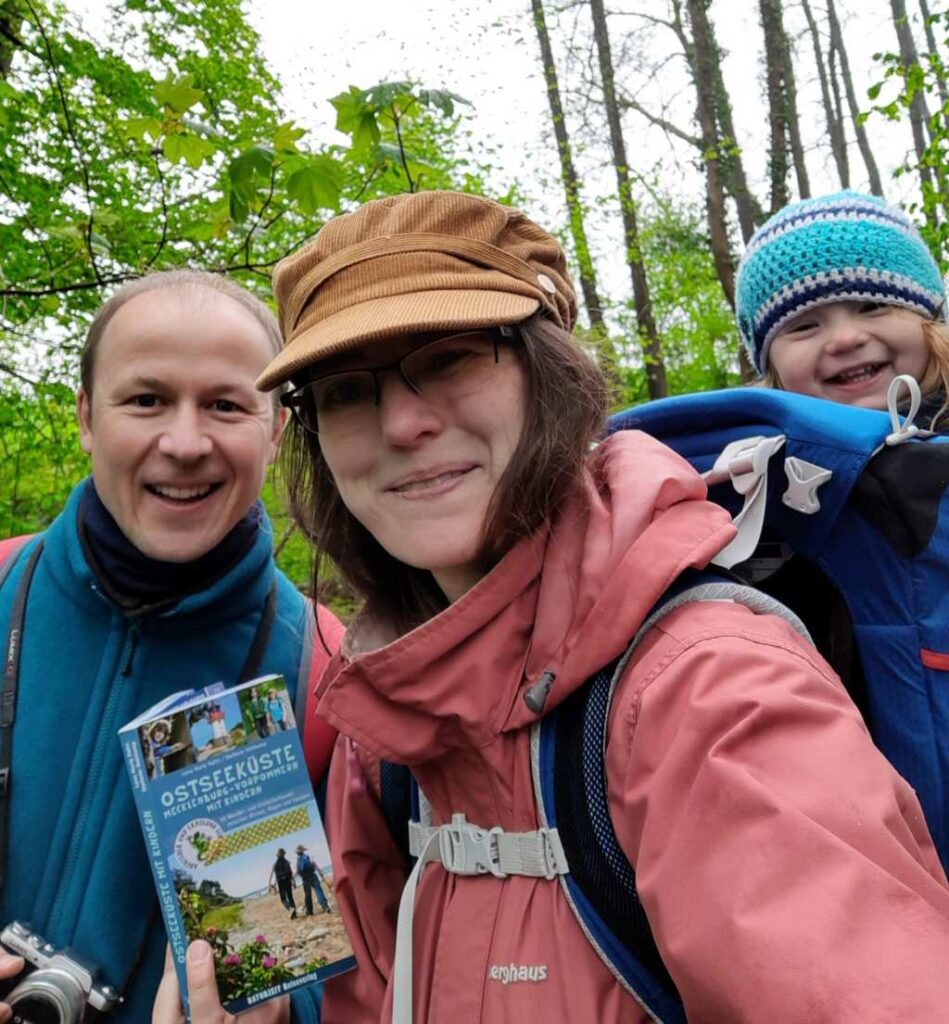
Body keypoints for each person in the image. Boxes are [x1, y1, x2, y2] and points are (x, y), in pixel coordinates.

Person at [253, 190, 949, 1023]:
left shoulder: (708, 689)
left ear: (548, 376)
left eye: (449, 358)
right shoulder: (387, 724)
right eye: (343, 390)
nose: (402, 422)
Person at [0, 270, 342, 1024]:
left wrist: (285, 1011)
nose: (185, 443)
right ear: (88, 416)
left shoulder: (327, 670)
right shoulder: (0, 590)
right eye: (146, 399)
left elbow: (357, 967)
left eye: (224, 404)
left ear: (276, 430)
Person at [736, 189, 949, 425]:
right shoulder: (754, 456)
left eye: (872, 306)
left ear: (932, 317)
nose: (845, 339)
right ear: (771, 366)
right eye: (804, 326)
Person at [295, 844, 329, 915]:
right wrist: (320, 872)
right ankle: (325, 906)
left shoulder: (298, 860)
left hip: (305, 879)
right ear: (303, 850)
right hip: (313, 876)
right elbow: (314, 864)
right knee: (318, 891)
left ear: (297, 852)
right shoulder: (309, 856)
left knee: (308, 894)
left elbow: (298, 872)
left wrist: (293, 879)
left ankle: (309, 911)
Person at [270, 848, 298, 920]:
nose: (276, 853)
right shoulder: (287, 862)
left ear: (279, 854)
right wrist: (294, 882)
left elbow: (272, 875)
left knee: (283, 899)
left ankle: (290, 908)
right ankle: (294, 914)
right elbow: (291, 873)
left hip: (280, 882)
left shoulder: (275, 864)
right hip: (288, 881)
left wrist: (271, 885)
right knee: (290, 897)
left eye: (277, 852)